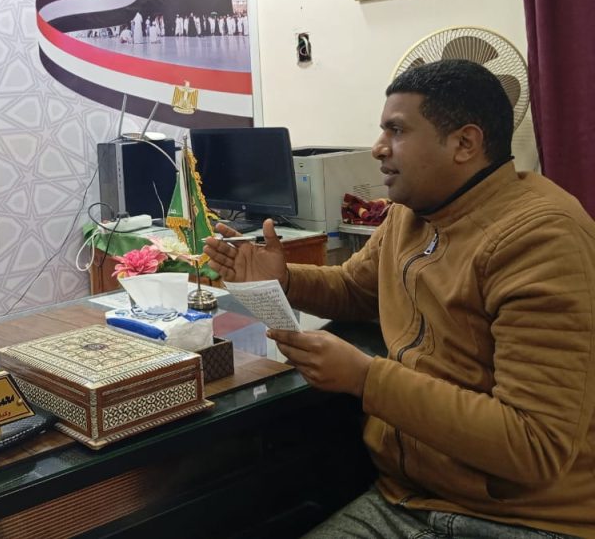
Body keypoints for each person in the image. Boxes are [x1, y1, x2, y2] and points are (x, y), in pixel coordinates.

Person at [205, 60, 595, 539]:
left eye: (397, 130)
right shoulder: (410, 216)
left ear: (465, 143)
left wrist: (366, 378)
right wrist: (285, 280)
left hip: (522, 520)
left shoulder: (541, 239)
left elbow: (534, 445)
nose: (378, 148)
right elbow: (355, 288)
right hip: (406, 497)